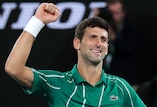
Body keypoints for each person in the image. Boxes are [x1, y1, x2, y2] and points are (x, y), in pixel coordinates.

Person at [5, 2, 146, 107]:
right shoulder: (56, 83)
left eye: (103, 39)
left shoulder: (120, 87)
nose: (99, 43)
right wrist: (37, 21)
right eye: (92, 37)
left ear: (107, 47)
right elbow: (13, 68)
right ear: (77, 43)